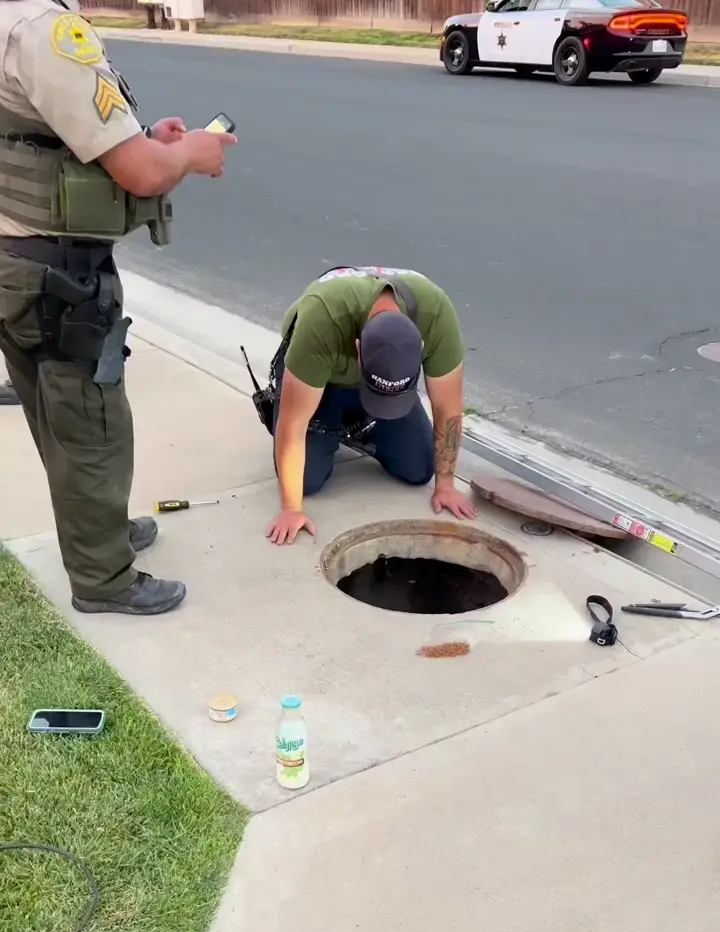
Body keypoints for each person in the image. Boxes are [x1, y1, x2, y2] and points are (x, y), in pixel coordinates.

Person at [0, 0, 236, 614]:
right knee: (92, 427)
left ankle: (96, 531)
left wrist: (143, 140)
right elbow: (140, 174)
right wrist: (189, 154)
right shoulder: (44, 30)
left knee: (53, 415)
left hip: (12, 259)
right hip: (54, 273)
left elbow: (40, 135)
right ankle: (103, 578)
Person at [266, 266, 478, 545]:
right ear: (357, 350)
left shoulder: (436, 315)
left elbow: (448, 411)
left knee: (419, 470)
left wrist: (446, 486)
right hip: (319, 381)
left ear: (421, 347)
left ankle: (359, 424)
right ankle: (334, 423)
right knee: (306, 482)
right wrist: (291, 510)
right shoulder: (323, 319)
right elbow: (293, 424)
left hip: (376, 375)